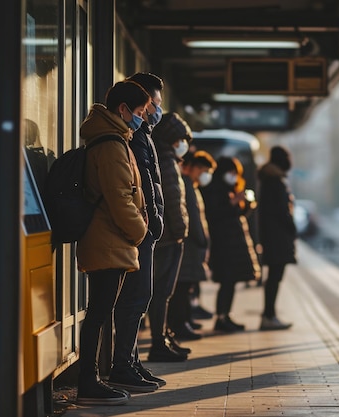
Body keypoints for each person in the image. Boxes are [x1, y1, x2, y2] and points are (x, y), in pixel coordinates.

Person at [74, 81, 150, 406]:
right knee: (98, 313)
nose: (142, 118)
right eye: (140, 112)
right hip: (108, 240)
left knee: (101, 311)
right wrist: (141, 231)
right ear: (122, 109)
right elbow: (120, 198)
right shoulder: (110, 145)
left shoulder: (116, 140)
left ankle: (92, 379)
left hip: (110, 239)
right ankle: (88, 382)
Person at [107, 73, 166, 393]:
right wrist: (147, 225)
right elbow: (133, 187)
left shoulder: (142, 134)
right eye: (150, 106)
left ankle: (131, 361)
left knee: (139, 298)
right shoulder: (129, 136)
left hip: (145, 229)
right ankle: (122, 365)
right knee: (133, 299)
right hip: (136, 231)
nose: (153, 112)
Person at [148, 112, 191, 362]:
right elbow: (173, 200)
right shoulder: (166, 161)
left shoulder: (165, 159)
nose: (183, 144)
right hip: (168, 236)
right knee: (161, 292)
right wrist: (180, 229)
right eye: (180, 140)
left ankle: (162, 336)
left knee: (163, 292)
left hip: (168, 234)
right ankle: (158, 341)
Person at [202, 156, 260, 332]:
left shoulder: (230, 189)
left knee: (231, 281)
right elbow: (215, 215)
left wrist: (246, 205)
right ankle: (221, 317)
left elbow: (236, 215)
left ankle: (226, 315)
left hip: (233, 244)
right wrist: (233, 202)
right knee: (227, 281)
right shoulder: (215, 190)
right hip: (223, 244)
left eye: (236, 173)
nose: (234, 176)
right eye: (231, 172)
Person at [167, 151, 216, 340]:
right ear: (194, 167)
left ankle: (183, 321)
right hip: (190, 245)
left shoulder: (191, 185)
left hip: (192, 246)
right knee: (182, 287)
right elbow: (194, 219)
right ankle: (180, 324)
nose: (204, 175)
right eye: (203, 170)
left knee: (185, 287)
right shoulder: (186, 184)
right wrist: (202, 240)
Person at [257, 146, 296, 331]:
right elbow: (282, 212)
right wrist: (293, 228)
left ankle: (269, 314)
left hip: (271, 236)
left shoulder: (268, 180)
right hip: (278, 237)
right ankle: (269, 315)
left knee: (273, 277)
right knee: (274, 278)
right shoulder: (276, 182)